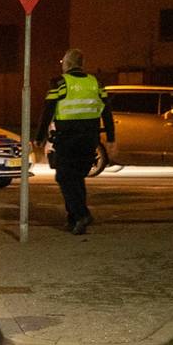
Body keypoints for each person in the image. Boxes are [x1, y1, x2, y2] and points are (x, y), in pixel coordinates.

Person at [34, 48, 115, 236]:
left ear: (68, 64)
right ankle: (73, 219)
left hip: (68, 139)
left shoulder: (60, 84)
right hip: (89, 140)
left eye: (63, 63)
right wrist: (111, 138)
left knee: (64, 177)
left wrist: (39, 137)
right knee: (76, 177)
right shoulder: (95, 83)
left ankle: (81, 215)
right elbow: (107, 112)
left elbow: (47, 111)